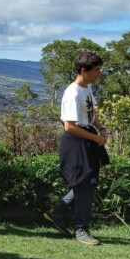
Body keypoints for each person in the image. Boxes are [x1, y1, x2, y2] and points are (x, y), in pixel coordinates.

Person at [43, 51, 109, 246]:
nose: (99, 73)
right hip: (75, 141)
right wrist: (96, 138)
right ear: (83, 70)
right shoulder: (72, 93)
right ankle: (81, 230)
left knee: (87, 185)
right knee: (84, 185)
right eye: (96, 70)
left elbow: (91, 112)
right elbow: (69, 125)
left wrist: (101, 128)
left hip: (87, 138)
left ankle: (56, 213)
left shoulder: (86, 88)